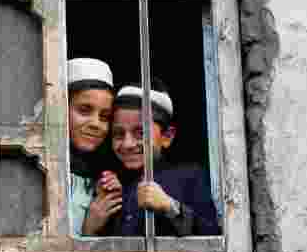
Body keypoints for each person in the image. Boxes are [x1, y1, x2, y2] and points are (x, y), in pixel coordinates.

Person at [84, 80, 219, 238]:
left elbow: (213, 237)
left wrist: (170, 206)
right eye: (118, 134)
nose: (127, 144)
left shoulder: (189, 176)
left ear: (167, 137)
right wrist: (93, 225)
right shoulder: (115, 184)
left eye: (140, 133)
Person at [67, 58, 116, 237]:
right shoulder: (31, 175)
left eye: (105, 117)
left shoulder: (104, 181)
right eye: (84, 110)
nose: (96, 124)